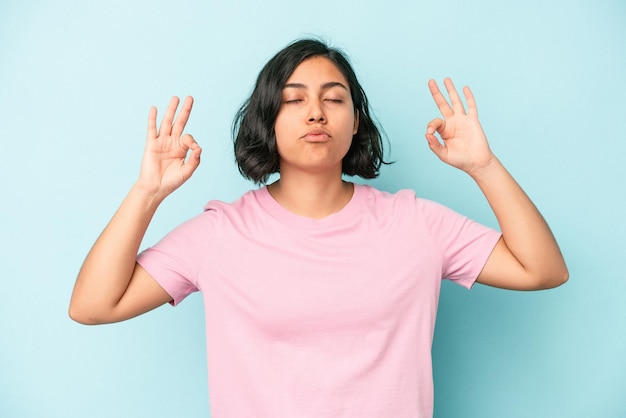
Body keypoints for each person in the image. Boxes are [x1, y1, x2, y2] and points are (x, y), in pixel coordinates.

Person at [69, 38, 568, 417]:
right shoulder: (220, 234)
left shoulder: (416, 223)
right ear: (269, 120)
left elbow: (543, 269)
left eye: (334, 99)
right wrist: (147, 193)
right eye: (294, 99)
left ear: (355, 123)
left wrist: (484, 166)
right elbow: (93, 306)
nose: (315, 112)